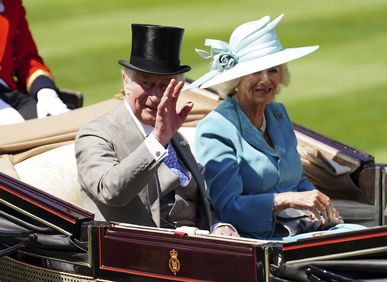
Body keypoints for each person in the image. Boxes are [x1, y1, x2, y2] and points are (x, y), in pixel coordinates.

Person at [189, 15, 365, 240]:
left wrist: (318, 203)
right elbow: (228, 208)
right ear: (237, 79)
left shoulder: (277, 114)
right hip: (263, 239)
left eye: (272, 70)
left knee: (366, 239)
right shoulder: (216, 129)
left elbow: (295, 179)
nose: (265, 80)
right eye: (255, 71)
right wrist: (286, 200)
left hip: (303, 228)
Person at [75, 23, 238, 237]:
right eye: (146, 83)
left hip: (196, 250)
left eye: (164, 86)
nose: (155, 96)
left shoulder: (175, 136)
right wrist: (157, 142)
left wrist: (218, 226)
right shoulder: (96, 135)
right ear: (126, 81)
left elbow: (196, 202)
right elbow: (110, 191)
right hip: (135, 255)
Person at [0, 0, 69, 126]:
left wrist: (45, 91)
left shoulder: (11, 4)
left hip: (10, 92)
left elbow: (26, 60)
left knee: (57, 126)